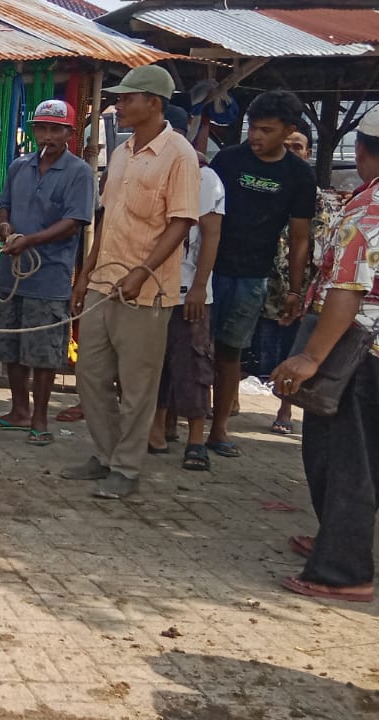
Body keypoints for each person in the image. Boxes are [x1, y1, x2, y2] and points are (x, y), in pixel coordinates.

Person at [63, 65, 200, 500]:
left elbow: (181, 223)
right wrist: (85, 273)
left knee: (138, 383)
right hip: (105, 281)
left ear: (153, 104)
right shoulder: (121, 153)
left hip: (148, 288)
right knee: (90, 373)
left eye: (127, 99)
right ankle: (105, 455)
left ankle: (125, 467)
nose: (118, 105)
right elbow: (108, 218)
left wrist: (143, 270)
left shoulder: (179, 155)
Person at [271, 106, 379, 604]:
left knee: (340, 459)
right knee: (364, 460)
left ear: (361, 151)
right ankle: (341, 540)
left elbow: (348, 290)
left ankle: (342, 568)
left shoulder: (366, 210)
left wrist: (311, 358)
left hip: (357, 349)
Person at [204, 90, 316, 458]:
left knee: (229, 353)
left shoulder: (299, 175)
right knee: (193, 348)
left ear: (289, 130)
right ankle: (174, 423)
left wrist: (294, 291)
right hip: (208, 269)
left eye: (266, 130)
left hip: (253, 277)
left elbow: (300, 238)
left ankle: (218, 429)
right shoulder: (228, 161)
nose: (256, 136)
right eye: (253, 128)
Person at [0, 100, 96, 446]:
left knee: (43, 350)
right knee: (11, 344)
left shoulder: (79, 173)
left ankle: (40, 418)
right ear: (33, 131)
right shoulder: (19, 166)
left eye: (55, 130)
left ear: (69, 134)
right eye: (42, 128)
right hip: (11, 273)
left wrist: (29, 241)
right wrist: (4, 229)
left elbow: (74, 223)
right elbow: (4, 207)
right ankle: (18, 410)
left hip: (51, 274)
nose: (48, 136)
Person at [149, 152, 225, 471]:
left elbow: (211, 234)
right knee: (154, 364)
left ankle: (196, 439)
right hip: (151, 287)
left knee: (193, 365)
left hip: (188, 287)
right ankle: (156, 431)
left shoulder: (204, 178)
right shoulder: (149, 169)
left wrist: (199, 285)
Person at [264, 131, 342, 435]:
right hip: (265, 282)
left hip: (302, 288)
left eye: (297, 147)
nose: (291, 152)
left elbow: (322, 248)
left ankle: (285, 408)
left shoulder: (320, 200)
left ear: (308, 153)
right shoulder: (268, 189)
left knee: (293, 348)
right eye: (286, 147)